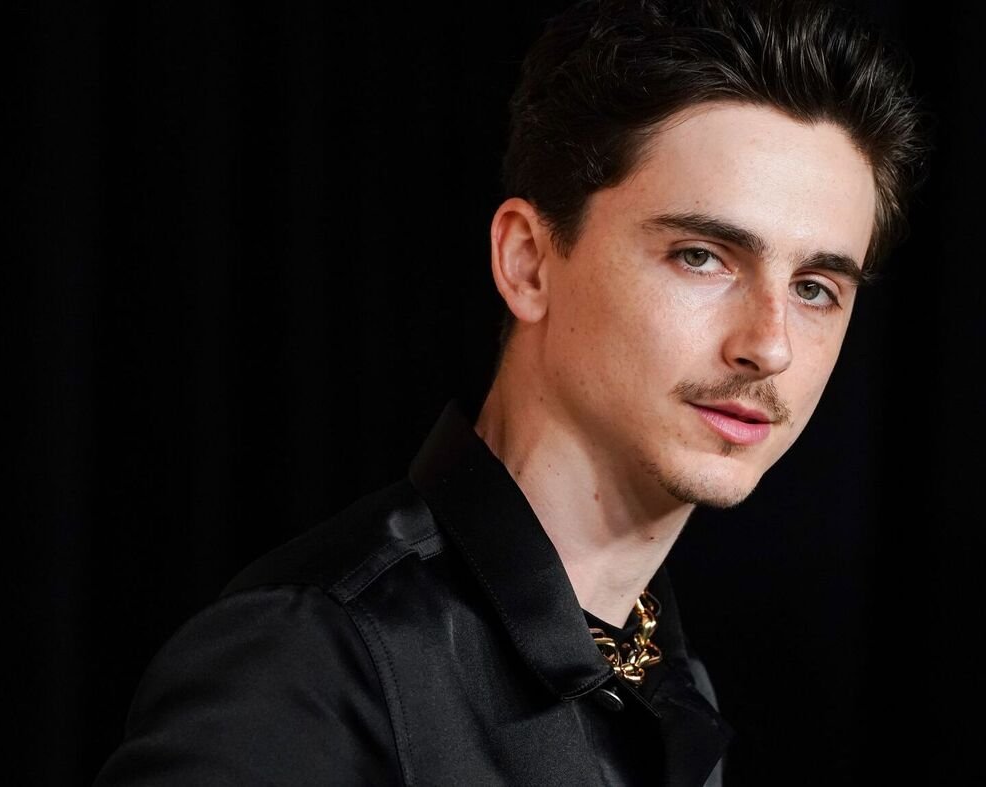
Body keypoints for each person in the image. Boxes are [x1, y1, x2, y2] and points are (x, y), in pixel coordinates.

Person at [94, 0, 927, 784]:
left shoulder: (667, 680)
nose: (769, 345)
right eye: (701, 257)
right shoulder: (311, 662)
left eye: (815, 287)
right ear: (528, 261)